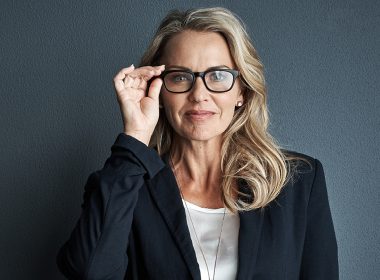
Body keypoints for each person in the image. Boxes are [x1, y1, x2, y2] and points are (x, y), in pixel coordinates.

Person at [57, 7, 338, 280]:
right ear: (159, 91)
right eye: (180, 77)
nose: (199, 94)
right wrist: (135, 136)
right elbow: (89, 271)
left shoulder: (298, 182)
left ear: (242, 91)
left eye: (218, 76)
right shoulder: (127, 186)